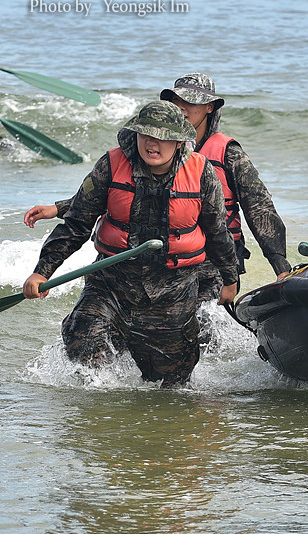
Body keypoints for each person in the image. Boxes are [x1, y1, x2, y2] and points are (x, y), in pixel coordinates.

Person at [22, 101, 238, 386]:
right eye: (145, 135)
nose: (152, 143)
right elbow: (76, 224)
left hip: (173, 288)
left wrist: (229, 279)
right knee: (84, 342)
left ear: (177, 141)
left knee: (171, 381)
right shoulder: (110, 165)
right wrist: (42, 271)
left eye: (162, 137)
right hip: (111, 282)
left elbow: (217, 233)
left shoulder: (201, 173)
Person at [25, 73, 291, 301]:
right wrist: (59, 208)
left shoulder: (228, 155)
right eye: (177, 100)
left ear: (210, 107)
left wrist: (280, 268)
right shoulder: (148, 147)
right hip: (152, 258)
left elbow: (261, 211)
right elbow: (118, 192)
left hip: (212, 259)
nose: (183, 108)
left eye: (191, 102)